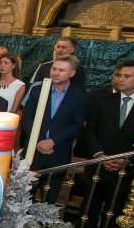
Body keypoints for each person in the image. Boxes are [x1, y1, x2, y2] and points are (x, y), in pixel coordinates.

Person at [78, 60, 134, 228]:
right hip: (99, 166)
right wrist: (99, 155)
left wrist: (127, 160)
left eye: (127, 76)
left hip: (126, 169)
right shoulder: (103, 101)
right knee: (88, 210)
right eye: (119, 75)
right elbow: (90, 130)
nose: (120, 79)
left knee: (115, 212)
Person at [20, 55, 90, 204]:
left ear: (72, 73)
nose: (56, 73)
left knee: (49, 198)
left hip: (58, 152)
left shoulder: (80, 96)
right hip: (34, 150)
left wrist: (52, 142)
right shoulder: (38, 90)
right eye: (54, 69)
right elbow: (26, 118)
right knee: (24, 195)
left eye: (61, 70)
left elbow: (77, 125)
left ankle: (44, 226)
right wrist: (39, 141)